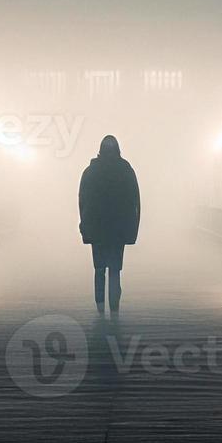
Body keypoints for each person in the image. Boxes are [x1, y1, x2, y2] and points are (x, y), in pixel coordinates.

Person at [79, 135, 141, 315]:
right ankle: (114, 308)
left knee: (99, 269)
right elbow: (135, 201)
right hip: (118, 230)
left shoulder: (90, 172)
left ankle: (100, 308)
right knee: (114, 270)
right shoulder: (125, 170)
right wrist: (133, 229)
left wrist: (84, 225)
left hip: (96, 229)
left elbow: (82, 201)